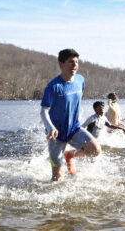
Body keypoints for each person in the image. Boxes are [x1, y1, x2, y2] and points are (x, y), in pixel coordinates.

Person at [40, 48, 101, 181]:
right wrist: (50, 127)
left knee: (95, 150)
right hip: (56, 134)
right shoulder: (53, 86)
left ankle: (70, 154)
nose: (75, 65)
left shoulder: (80, 80)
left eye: (77, 62)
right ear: (61, 64)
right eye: (71, 62)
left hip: (74, 128)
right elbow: (43, 111)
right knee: (57, 178)